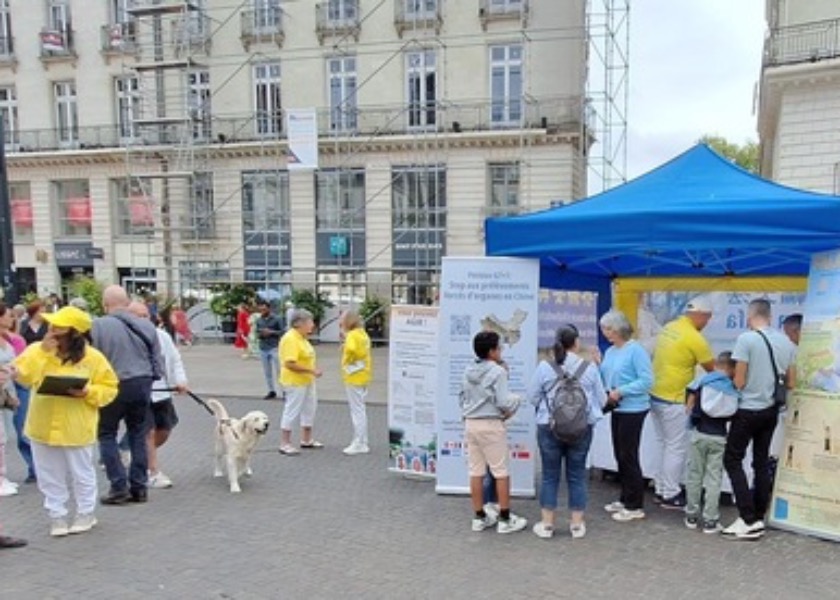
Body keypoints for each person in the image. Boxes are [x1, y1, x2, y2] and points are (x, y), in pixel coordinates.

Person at [4, 306, 119, 537]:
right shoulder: (38, 349)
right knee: (48, 474)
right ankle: (56, 515)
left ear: (74, 332)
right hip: (43, 424)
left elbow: (110, 387)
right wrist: (43, 353)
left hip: (75, 425)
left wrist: (88, 392)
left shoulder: (93, 357)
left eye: (59, 326)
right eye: (51, 325)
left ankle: (86, 513)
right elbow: (25, 375)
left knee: (81, 472)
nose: (52, 330)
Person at [723, 298, 796, 541]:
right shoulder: (786, 342)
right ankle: (758, 515)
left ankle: (747, 518)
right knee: (761, 462)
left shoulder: (747, 339)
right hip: (771, 411)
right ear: (771, 316)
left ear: (749, 316)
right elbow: (792, 382)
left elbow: (739, 381)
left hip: (747, 410)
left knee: (732, 460)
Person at [528, 324, 605, 539]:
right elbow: (603, 399)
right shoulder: (589, 368)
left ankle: (547, 525)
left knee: (550, 476)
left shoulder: (545, 368)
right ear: (577, 342)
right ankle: (577, 525)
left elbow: (532, 397)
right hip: (582, 428)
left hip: (548, 426)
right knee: (577, 475)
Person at [92, 285, 164, 506]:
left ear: (105, 304)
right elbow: (157, 358)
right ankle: (139, 486)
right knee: (138, 433)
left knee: (106, 433)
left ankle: (118, 486)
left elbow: (91, 357)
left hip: (113, 383)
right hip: (142, 383)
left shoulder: (98, 326)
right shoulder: (146, 326)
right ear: (127, 302)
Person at [649, 297, 715, 509]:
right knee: (675, 447)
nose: (707, 323)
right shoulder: (695, 339)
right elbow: (714, 370)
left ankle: (660, 488)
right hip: (675, 398)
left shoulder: (669, 327)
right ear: (702, 315)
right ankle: (670, 493)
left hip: (655, 394)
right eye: (707, 318)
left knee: (663, 444)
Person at [460, 330, 526, 534]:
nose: (502, 350)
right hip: (490, 424)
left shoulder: (467, 369)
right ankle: (505, 519)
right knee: (501, 472)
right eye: (499, 347)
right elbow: (503, 401)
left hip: (471, 423)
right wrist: (518, 399)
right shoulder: (498, 372)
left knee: (476, 471)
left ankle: (479, 516)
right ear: (492, 351)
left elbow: (462, 397)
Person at [599, 309, 654, 523]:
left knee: (629, 455)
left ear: (620, 329)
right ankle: (625, 497)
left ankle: (635, 504)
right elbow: (605, 376)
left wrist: (622, 390)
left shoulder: (636, 351)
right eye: (604, 329)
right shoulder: (612, 351)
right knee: (620, 454)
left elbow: (647, 380)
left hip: (633, 408)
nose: (606, 333)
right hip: (616, 408)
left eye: (609, 329)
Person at [127, 301, 188, 489]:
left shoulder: (162, 336)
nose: (144, 320)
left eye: (146, 315)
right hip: (140, 392)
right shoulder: (127, 338)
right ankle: (153, 471)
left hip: (162, 391)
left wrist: (181, 380)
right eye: (138, 316)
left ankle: (138, 454)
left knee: (164, 430)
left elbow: (175, 359)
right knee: (148, 432)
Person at [683, 351, 739, 534]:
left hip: (699, 433)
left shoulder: (704, 380)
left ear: (716, 364)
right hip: (719, 436)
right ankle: (710, 520)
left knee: (694, 475)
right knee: (714, 478)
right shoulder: (732, 386)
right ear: (732, 369)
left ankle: (691, 515)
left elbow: (689, 401)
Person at [278, 309, 323, 455]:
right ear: (299, 323)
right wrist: (311, 371)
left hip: (306, 380)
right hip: (294, 381)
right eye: (310, 322)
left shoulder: (302, 338)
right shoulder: (291, 338)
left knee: (309, 408)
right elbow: (290, 363)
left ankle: (306, 439)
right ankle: (285, 443)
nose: (312, 325)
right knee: (292, 409)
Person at [339, 310, 372, 455]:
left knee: (356, 410)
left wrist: (347, 357)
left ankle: (358, 442)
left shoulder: (351, 335)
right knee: (360, 409)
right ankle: (362, 441)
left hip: (353, 375)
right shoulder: (362, 334)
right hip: (363, 374)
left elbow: (351, 349)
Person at [0, 303, 21, 496]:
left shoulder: (7, 340)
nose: (12, 319)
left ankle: (3, 476)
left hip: (7, 392)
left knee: (6, 435)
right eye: (8, 316)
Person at [255, 300, 284, 400]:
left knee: (279, 370)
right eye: (260, 310)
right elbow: (257, 332)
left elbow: (283, 332)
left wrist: (271, 332)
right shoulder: (259, 320)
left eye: (264, 309)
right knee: (267, 371)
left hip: (274, 346)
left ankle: (284, 391)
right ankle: (271, 390)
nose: (262, 311)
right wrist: (261, 334)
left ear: (269, 308)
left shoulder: (277, 319)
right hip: (263, 347)